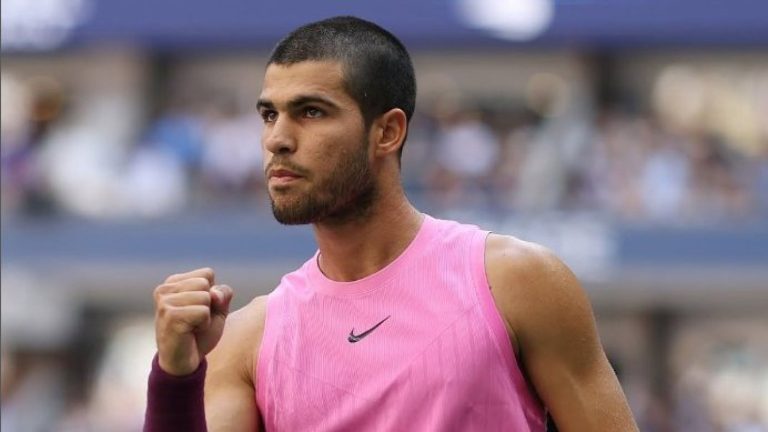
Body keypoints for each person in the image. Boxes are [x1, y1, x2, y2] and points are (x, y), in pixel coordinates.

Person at [145, 16, 639, 432]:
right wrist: (174, 377)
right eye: (269, 115)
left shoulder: (517, 281)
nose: (277, 138)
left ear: (387, 132)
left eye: (311, 112)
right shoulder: (247, 340)